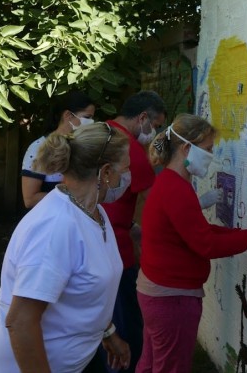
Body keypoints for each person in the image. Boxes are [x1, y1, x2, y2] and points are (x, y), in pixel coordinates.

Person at [0, 122, 131, 372]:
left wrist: (107, 331)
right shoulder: (56, 227)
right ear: (105, 172)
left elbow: (85, 288)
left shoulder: (94, 211)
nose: (126, 178)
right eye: (124, 170)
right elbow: (20, 322)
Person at [137, 113, 247, 373]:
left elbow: (199, 231)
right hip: (171, 299)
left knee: (152, 363)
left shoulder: (170, 182)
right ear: (186, 147)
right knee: (170, 367)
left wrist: (246, 233)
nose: (211, 156)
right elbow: (206, 244)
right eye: (208, 150)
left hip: (158, 293)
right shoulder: (175, 189)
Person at [100, 90, 167, 373]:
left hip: (106, 236)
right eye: (157, 126)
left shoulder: (101, 131)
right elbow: (157, 207)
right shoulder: (131, 151)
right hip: (117, 248)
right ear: (143, 118)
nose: (156, 134)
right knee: (126, 326)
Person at [21, 90, 95, 208]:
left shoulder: (84, 145)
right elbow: (30, 199)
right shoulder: (38, 148)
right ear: (68, 115)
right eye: (87, 117)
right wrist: (73, 195)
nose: (91, 122)